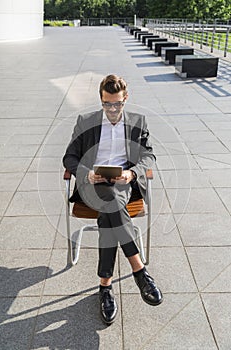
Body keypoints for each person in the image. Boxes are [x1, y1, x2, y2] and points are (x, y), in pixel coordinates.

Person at [63, 74, 163, 325]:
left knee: (111, 207)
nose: (112, 109)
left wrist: (132, 173)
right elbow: (70, 158)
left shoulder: (138, 122)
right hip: (92, 185)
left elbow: (149, 156)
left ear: (125, 98)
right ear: (101, 100)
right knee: (111, 203)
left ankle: (104, 287)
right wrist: (88, 174)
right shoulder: (86, 122)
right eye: (107, 104)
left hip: (122, 185)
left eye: (117, 103)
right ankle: (139, 270)